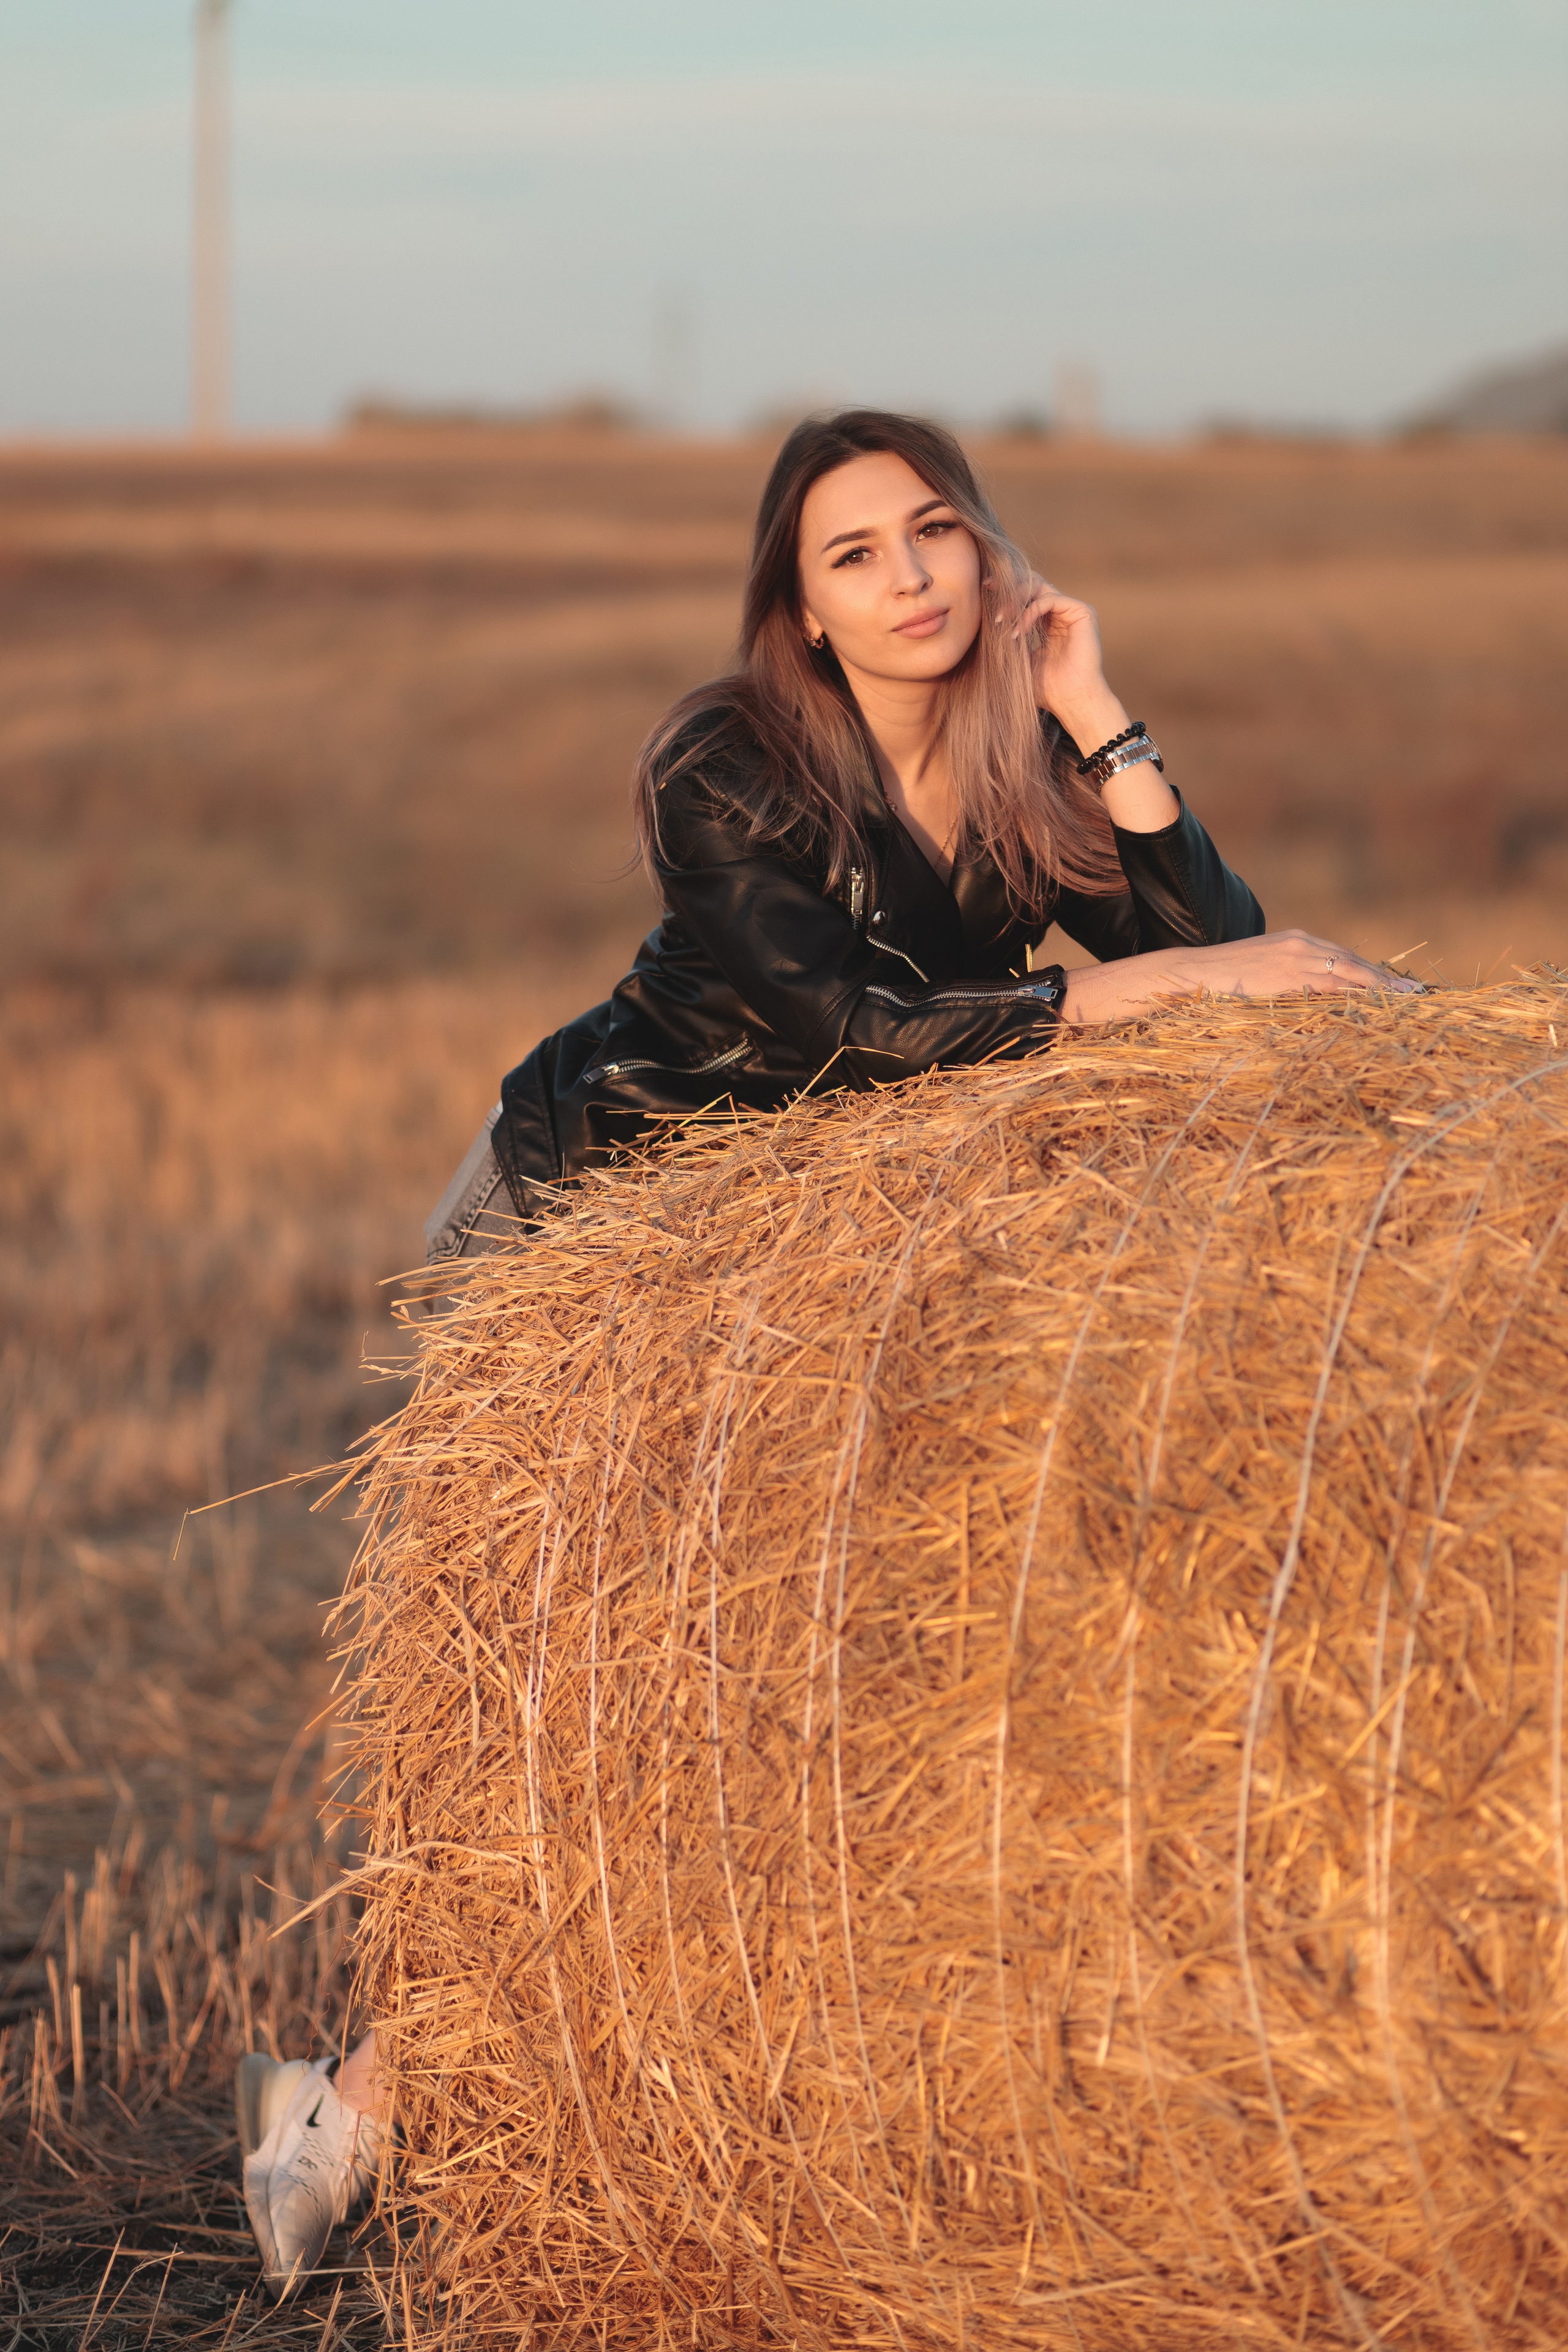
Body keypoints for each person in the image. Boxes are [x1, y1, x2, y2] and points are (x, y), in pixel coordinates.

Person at [237, 408, 1415, 2296]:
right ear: (797, 606)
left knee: (797, 1714)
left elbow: (1234, 959)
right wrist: (1147, 984)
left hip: (797, 1275)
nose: (911, 576)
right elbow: (852, 1029)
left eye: (936, 531)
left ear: (987, 549)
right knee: (587, 1716)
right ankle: (354, 2099)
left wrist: (1100, 712)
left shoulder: (1021, 754)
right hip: (594, 1217)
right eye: (855, 552)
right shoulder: (730, 765)